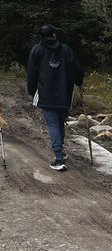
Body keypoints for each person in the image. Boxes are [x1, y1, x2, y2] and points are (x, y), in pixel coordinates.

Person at [27, 24, 83, 171]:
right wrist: (79, 81)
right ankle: (61, 152)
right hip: (65, 93)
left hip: (46, 93)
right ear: (54, 35)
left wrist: (31, 91)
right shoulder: (66, 49)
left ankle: (58, 159)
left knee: (53, 124)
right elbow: (77, 68)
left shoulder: (37, 50)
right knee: (59, 123)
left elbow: (32, 72)